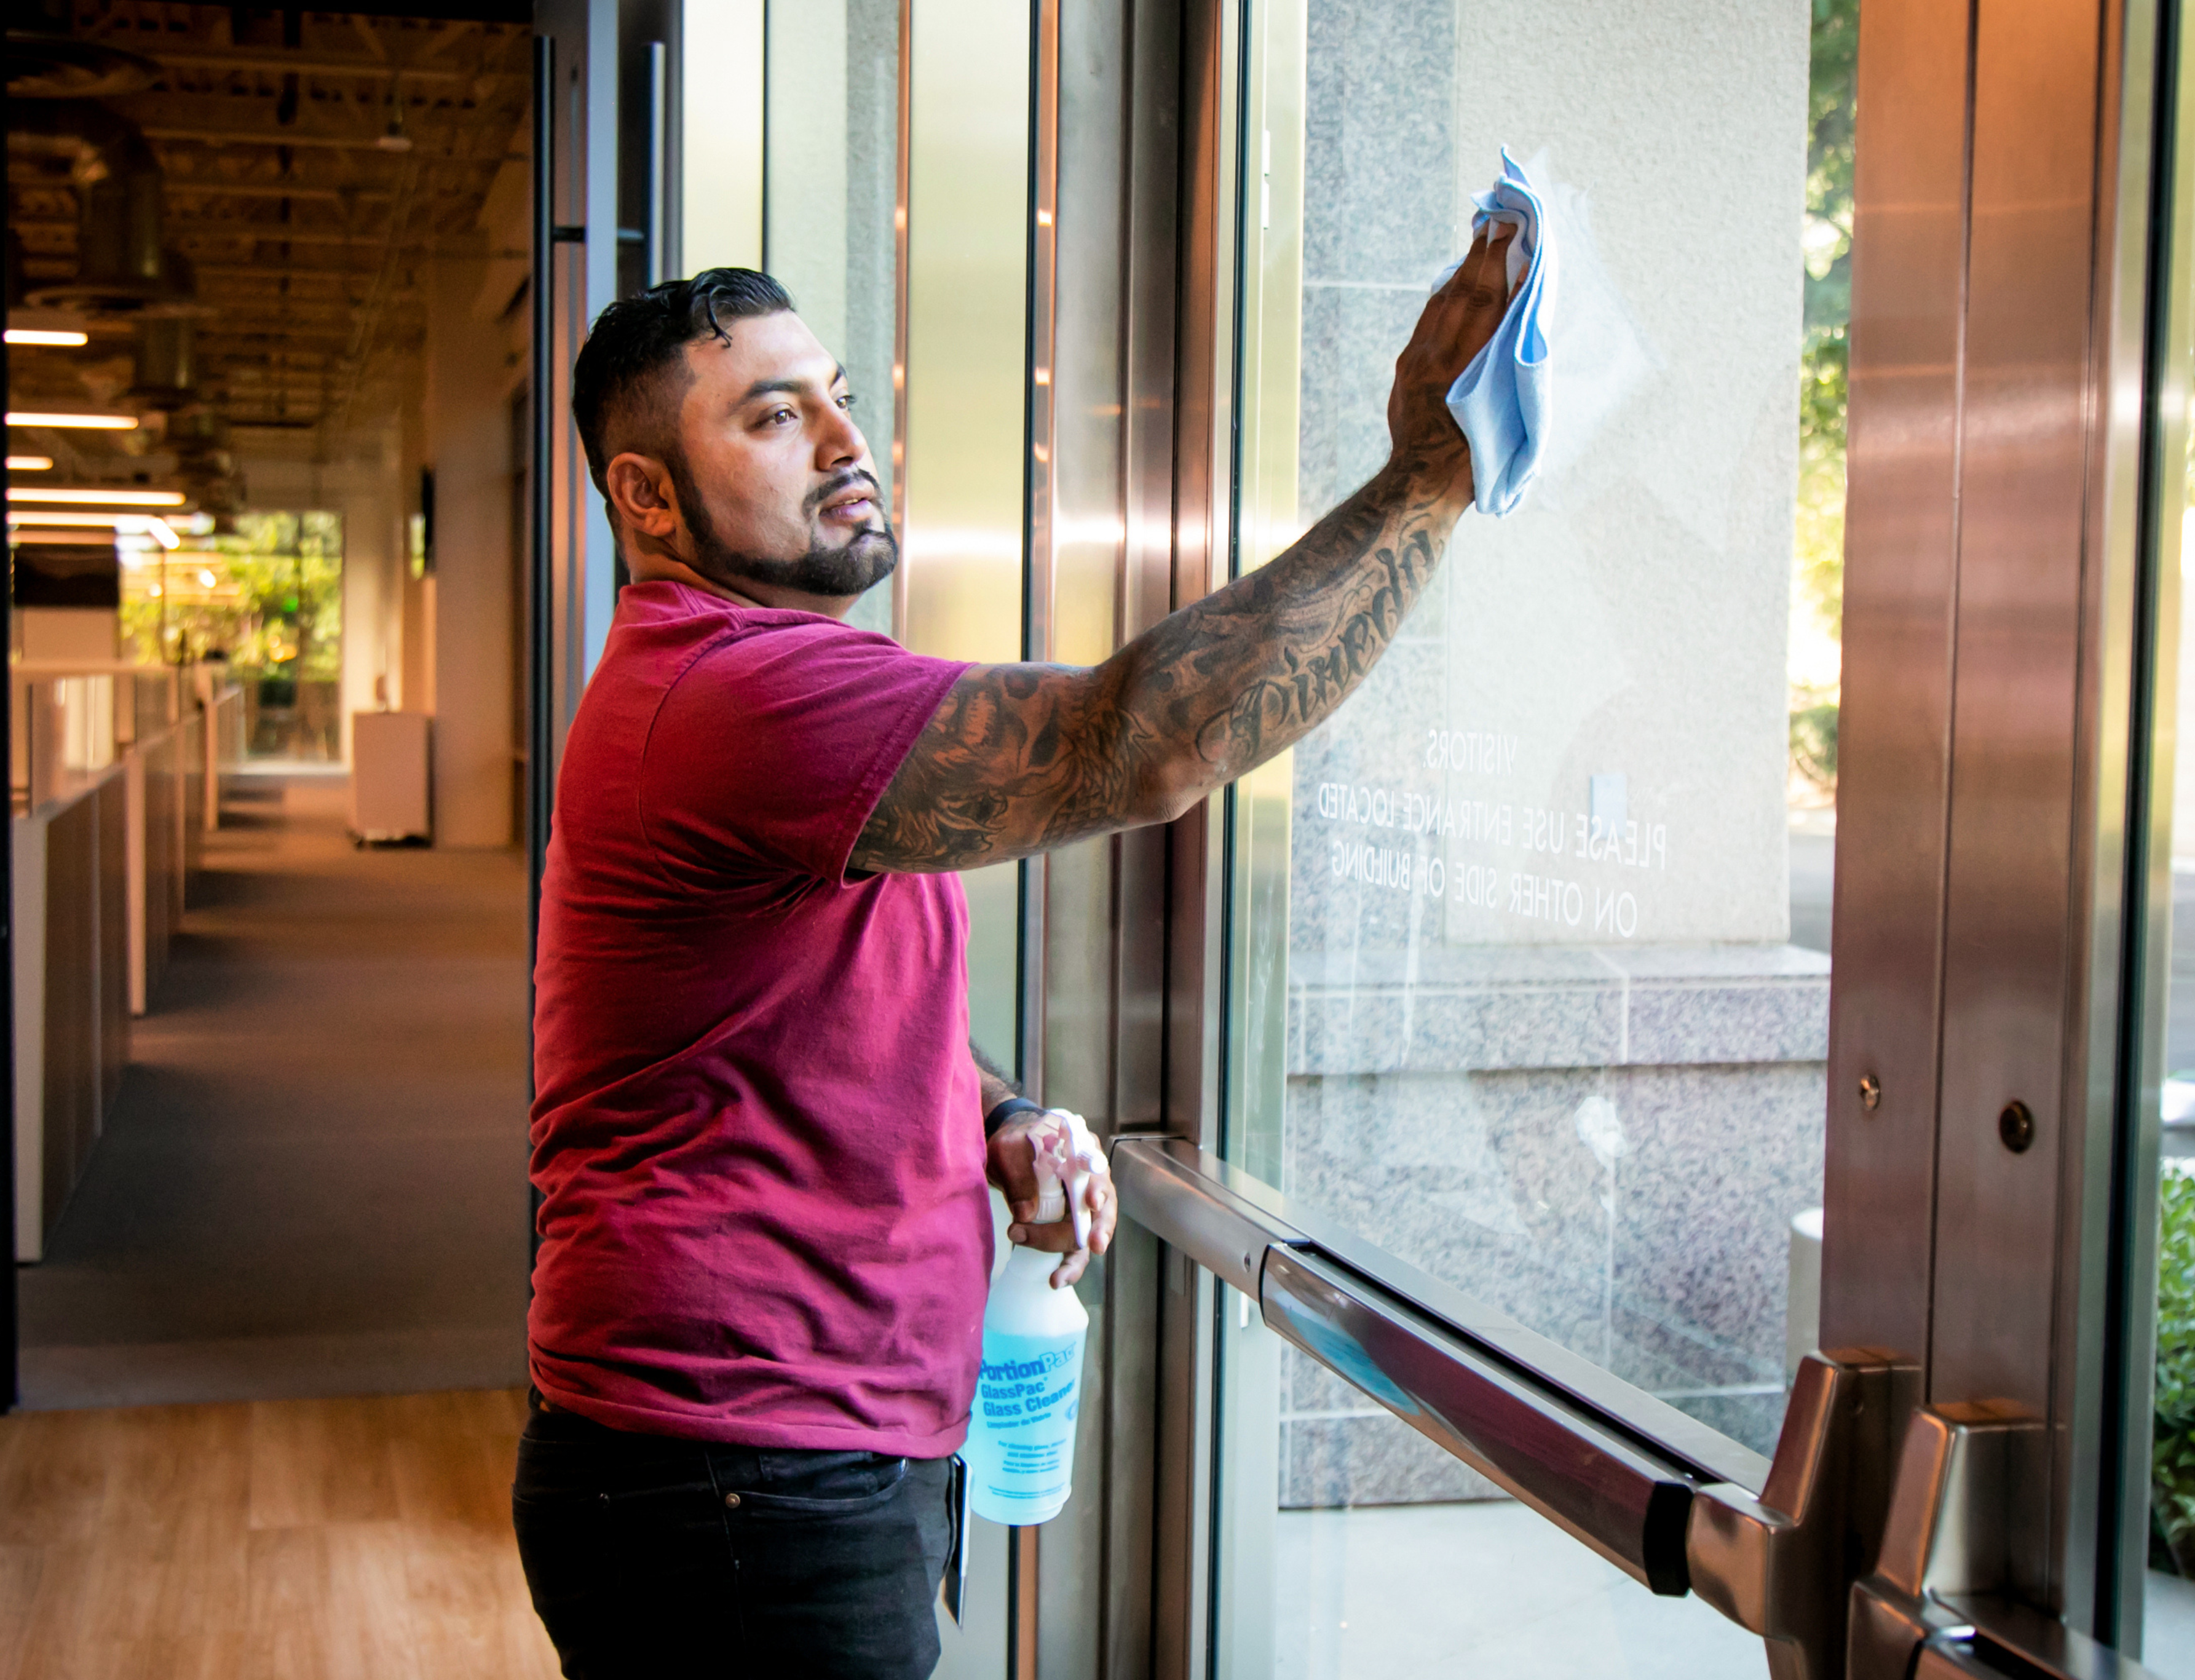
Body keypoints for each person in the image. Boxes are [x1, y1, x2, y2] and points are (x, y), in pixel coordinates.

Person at [512, 223, 1514, 1678]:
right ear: (646, 497)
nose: (847, 439)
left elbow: (794, 1012)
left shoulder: (746, 686)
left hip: (788, 1446)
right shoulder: (732, 695)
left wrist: (994, 1112)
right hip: (736, 1470)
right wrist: (1428, 473)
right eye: (775, 415)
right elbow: (1141, 740)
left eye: (838, 392)